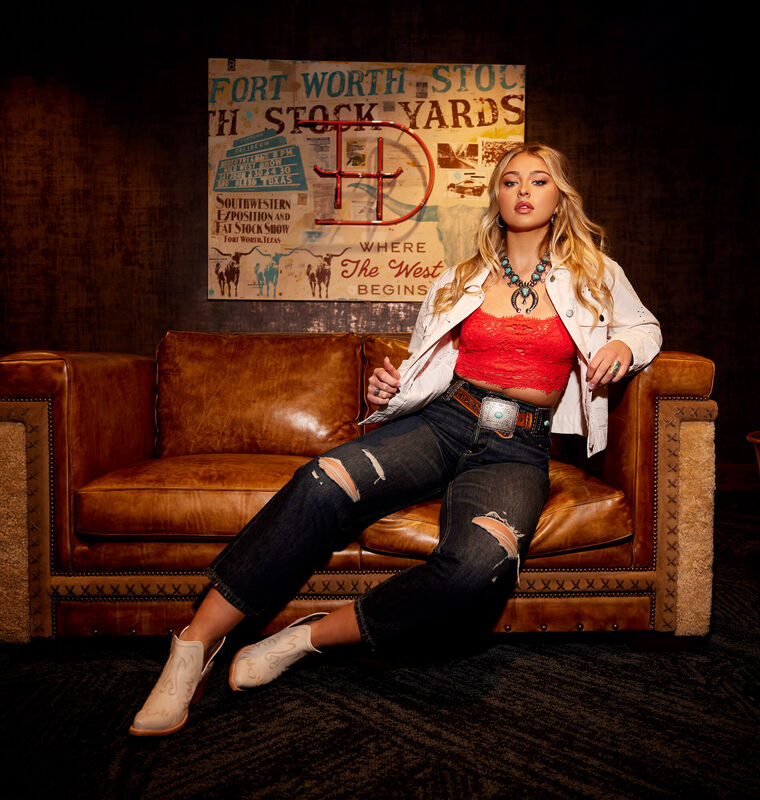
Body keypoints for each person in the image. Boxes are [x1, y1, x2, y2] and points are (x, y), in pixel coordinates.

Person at [129, 142, 661, 736]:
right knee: (319, 481)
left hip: (517, 446)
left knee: (479, 567)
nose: (523, 191)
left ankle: (305, 638)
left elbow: (644, 327)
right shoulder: (461, 277)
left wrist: (622, 345)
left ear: (560, 196)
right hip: (444, 422)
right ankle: (194, 646)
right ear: (497, 196)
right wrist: (392, 387)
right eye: (510, 181)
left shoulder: (594, 273)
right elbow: (427, 365)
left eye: (539, 181)